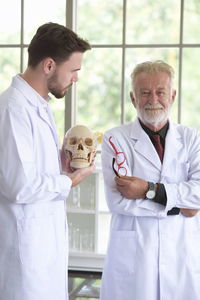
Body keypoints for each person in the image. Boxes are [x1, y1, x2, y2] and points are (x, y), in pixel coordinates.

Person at [0, 22, 94, 300]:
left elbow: (31, 173)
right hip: (24, 264)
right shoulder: (13, 109)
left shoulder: (38, 106)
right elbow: (19, 186)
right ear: (49, 65)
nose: (76, 78)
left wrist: (61, 169)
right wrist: (68, 180)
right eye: (74, 70)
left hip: (44, 257)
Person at [100, 60, 200, 300]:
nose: (152, 99)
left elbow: (198, 196)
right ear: (133, 98)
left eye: (160, 92)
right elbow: (119, 202)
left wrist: (147, 189)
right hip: (135, 260)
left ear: (173, 96)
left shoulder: (192, 138)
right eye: (144, 93)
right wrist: (180, 203)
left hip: (180, 254)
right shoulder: (115, 140)